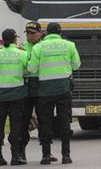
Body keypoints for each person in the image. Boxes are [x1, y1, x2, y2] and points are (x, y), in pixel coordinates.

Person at [28, 22, 81, 165]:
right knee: (64, 121)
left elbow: (32, 68)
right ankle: (66, 156)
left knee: (46, 122)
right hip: (64, 88)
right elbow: (76, 65)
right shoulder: (69, 45)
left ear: (46, 32)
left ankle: (45, 156)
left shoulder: (39, 47)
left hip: (45, 90)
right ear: (60, 32)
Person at [0, 29, 28, 165]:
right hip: (17, 94)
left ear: (2, 40)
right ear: (15, 39)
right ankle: (15, 156)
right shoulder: (22, 54)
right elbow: (28, 70)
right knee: (16, 125)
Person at [20, 21, 58, 162]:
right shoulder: (22, 47)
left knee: (45, 120)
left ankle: (46, 152)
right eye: (27, 33)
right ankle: (20, 151)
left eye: (32, 33)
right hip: (26, 86)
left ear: (41, 33)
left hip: (42, 85)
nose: (29, 36)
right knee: (23, 120)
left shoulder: (45, 46)